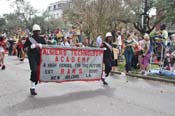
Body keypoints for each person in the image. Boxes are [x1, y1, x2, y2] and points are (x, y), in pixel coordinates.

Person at [24, 24, 46, 95]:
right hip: (32, 56)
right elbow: (25, 49)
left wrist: (42, 46)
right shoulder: (29, 39)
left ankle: (35, 80)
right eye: (36, 31)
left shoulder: (42, 39)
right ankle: (32, 88)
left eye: (38, 31)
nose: (37, 32)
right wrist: (30, 47)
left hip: (39, 56)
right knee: (34, 70)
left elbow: (46, 47)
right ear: (33, 31)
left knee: (37, 71)